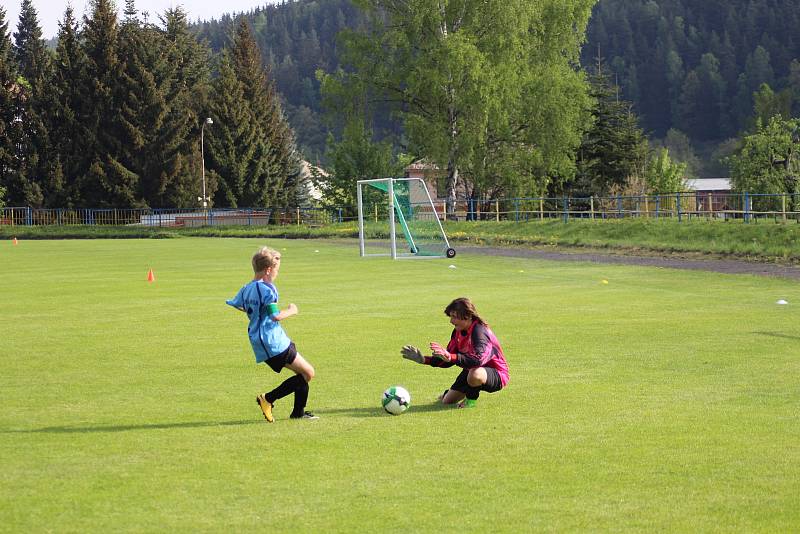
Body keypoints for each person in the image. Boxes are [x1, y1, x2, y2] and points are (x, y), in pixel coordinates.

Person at [226, 246, 318, 422]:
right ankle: (267, 398)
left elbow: (237, 304)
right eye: (276, 270)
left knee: (303, 374)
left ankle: (298, 413)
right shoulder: (268, 290)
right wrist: (292, 310)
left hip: (269, 340)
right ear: (268, 270)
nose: (277, 274)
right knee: (308, 373)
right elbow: (275, 316)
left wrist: (253, 313)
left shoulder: (246, 288)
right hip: (271, 342)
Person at [401, 297, 509, 408]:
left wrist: (451, 357)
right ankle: (454, 392)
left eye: (454, 317)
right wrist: (424, 360)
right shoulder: (458, 332)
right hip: (471, 371)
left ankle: (471, 400)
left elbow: (478, 360)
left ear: (467, 316)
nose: (451, 321)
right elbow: (448, 359)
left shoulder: (480, 331)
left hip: (497, 374)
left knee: (475, 374)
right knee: (447, 401)